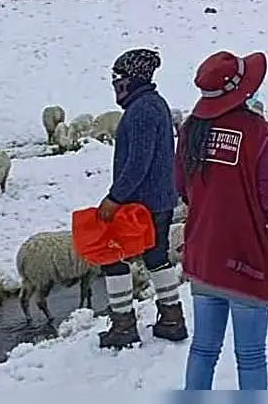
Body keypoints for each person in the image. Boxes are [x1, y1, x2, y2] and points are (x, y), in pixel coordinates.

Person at [176, 50, 268, 390]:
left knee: (203, 349)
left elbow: (182, 187)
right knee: (250, 356)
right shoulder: (255, 131)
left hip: (204, 255)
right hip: (246, 258)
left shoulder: (191, 129)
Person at [96, 48, 186, 349]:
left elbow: (138, 162)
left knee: (111, 255)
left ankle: (123, 326)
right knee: (156, 256)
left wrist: (115, 197)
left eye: (117, 78)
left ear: (130, 80)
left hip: (142, 203)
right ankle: (172, 318)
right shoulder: (151, 104)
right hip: (158, 198)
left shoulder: (143, 109)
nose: (114, 85)